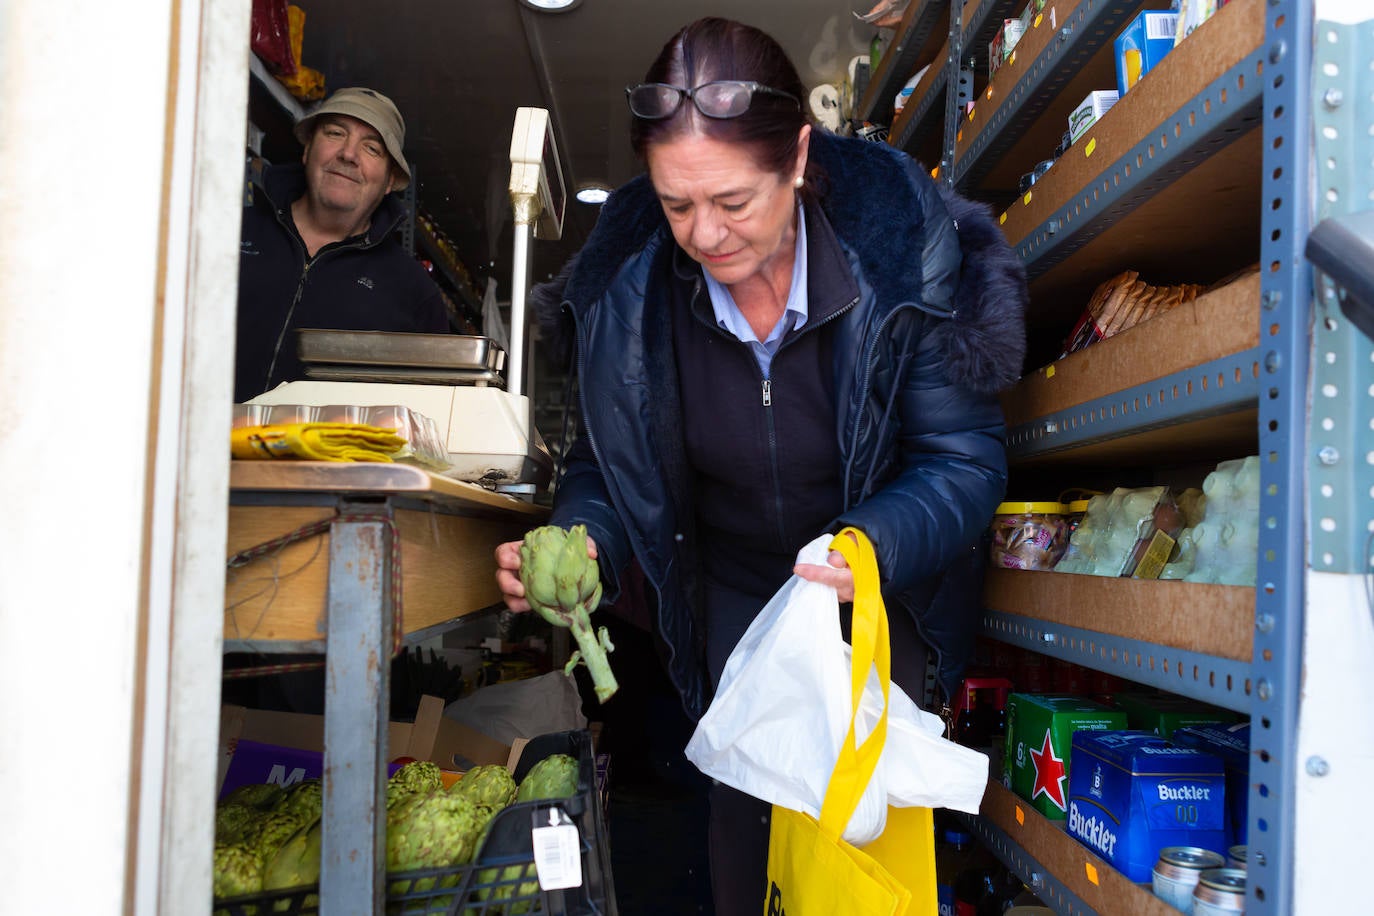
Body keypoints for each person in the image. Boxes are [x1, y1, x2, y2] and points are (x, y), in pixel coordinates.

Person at [494, 17, 1027, 915]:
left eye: (734, 201)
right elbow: (606, 467)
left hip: (873, 607)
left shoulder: (902, 257)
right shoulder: (630, 295)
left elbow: (962, 461)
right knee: (746, 850)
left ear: (798, 159)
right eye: (675, 205)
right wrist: (584, 541)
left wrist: (869, 545)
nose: (703, 234)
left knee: (863, 862)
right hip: (735, 613)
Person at [234, 86, 450, 402]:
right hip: (187, 441)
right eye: (335, 133)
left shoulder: (413, 294)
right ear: (307, 150)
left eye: (372, 148)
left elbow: (428, 411)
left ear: (390, 180)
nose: (349, 154)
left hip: (322, 454)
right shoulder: (229, 230)